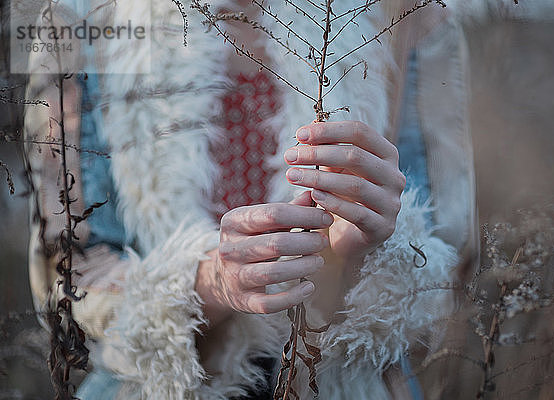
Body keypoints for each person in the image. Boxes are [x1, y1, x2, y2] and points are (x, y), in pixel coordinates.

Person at [24, 0, 476, 398]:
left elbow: (445, 270)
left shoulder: (405, 14)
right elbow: (66, 277)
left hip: (349, 382)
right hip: (156, 386)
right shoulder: (78, 17)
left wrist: (363, 252)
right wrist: (203, 283)